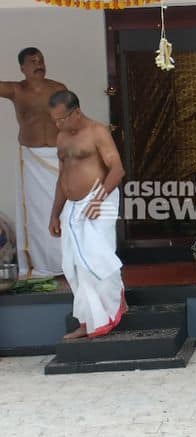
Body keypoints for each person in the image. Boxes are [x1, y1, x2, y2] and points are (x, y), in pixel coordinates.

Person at [48, 90, 127, 340]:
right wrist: (55, 213)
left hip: (99, 201)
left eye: (62, 119)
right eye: (55, 121)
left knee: (94, 260)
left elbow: (117, 169)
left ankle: (112, 307)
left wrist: (98, 198)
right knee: (73, 266)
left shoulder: (97, 131)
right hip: (72, 209)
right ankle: (87, 321)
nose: (58, 125)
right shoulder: (61, 137)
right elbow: (62, 177)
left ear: (77, 112)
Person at [0, 47, 67, 279]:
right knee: (36, 212)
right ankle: (39, 265)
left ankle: (65, 261)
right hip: (32, 159)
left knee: (64, 211)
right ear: (22, 68)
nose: (39, 64)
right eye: (33, 61)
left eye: (41, 60)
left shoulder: (58, 88)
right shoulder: (16, 90)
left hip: (58, 156)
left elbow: (72, 119)